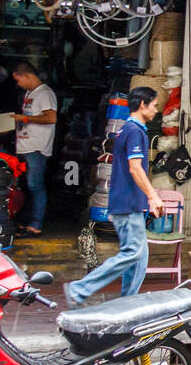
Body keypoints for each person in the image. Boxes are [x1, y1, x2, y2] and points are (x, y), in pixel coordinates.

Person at [65, 87, 164, 306]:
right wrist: (153, 196)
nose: (156, 110)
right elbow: (135, 168)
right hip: (127, 204)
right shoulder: (133, 131)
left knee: (139, 258)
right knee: (131, 254)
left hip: (130, 203)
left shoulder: (130, 129)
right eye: (154, 105)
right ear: (142, 105)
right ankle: (79, 289)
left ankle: (127, 303)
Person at [12, 62, 57, 237]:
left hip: (37, 147)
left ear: (27, 76)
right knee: (26, 185)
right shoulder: (30, 93)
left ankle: (35, 224)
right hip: (26, 145)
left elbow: (51, 118)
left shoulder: (45, 93)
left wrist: (24, 118)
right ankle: (26, 221)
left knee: (34, 184)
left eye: (18, 80)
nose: (18, 84)